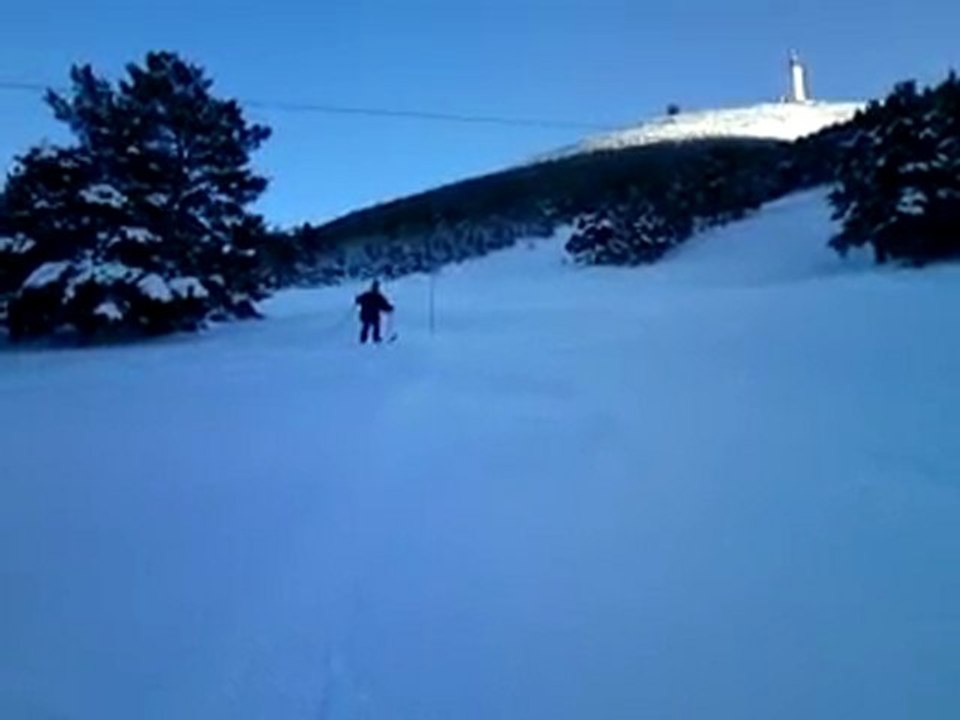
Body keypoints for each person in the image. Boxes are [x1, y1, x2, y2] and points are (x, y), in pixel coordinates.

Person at [355, 280, 394, 344]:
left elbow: (358, 300)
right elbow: (384, 305)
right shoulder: (378, 296)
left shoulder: (366, 295)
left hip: (365, 314)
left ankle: (363, 340)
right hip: (373, 315)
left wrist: (357, 299)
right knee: (375, 326)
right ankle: (375, 339)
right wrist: (390, 308)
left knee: (367, 327)